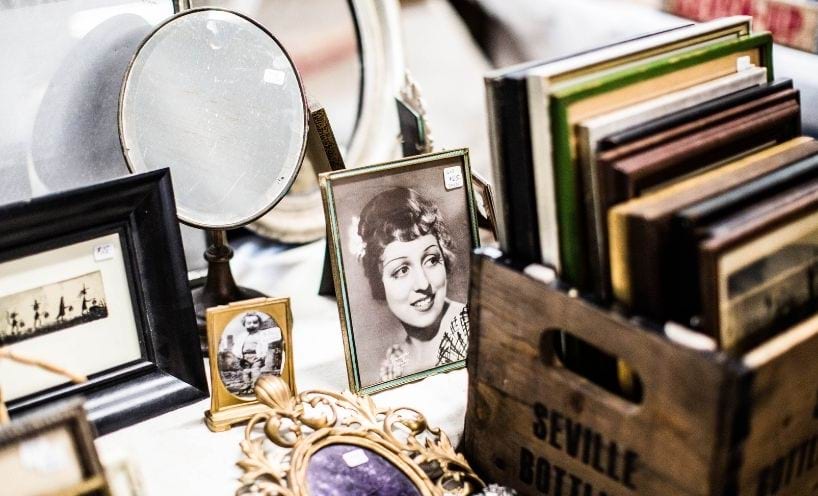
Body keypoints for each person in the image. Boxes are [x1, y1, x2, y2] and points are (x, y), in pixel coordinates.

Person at [356, 187, 469, 382]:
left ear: (444, 258)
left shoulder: (469, 329)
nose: (423, 283)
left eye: (431, 260)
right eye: (402, 270)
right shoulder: (396, 362)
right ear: (379, 282)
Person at [237, 312, 283, 395]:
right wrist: (238, 355)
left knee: (255, 371)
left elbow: (264, 345)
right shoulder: (242, 336)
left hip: (257, 356)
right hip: (245, 357)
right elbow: (238, 345)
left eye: (255, 322)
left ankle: (254, 386)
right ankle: (247, 384)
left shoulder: (261, 335)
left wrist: (262, 355)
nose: (252, 325)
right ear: (244, 324)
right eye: (249, 323)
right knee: (246, 371)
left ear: (259, 323)